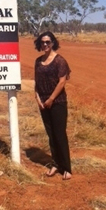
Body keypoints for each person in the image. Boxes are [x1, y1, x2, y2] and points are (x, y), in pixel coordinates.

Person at [34, 31, 72, 180]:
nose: (45, 45)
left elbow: (62, 82)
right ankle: (55, 164)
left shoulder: (59, 61)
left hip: (57, 102)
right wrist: (37, 97)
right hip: (42, 102)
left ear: (53, 43)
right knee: (51, 135)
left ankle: (66, 168)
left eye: (48, 42)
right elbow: (36, 81)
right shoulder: (38, 61)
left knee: (60, 134)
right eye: (42, 42)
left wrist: (50, 99)